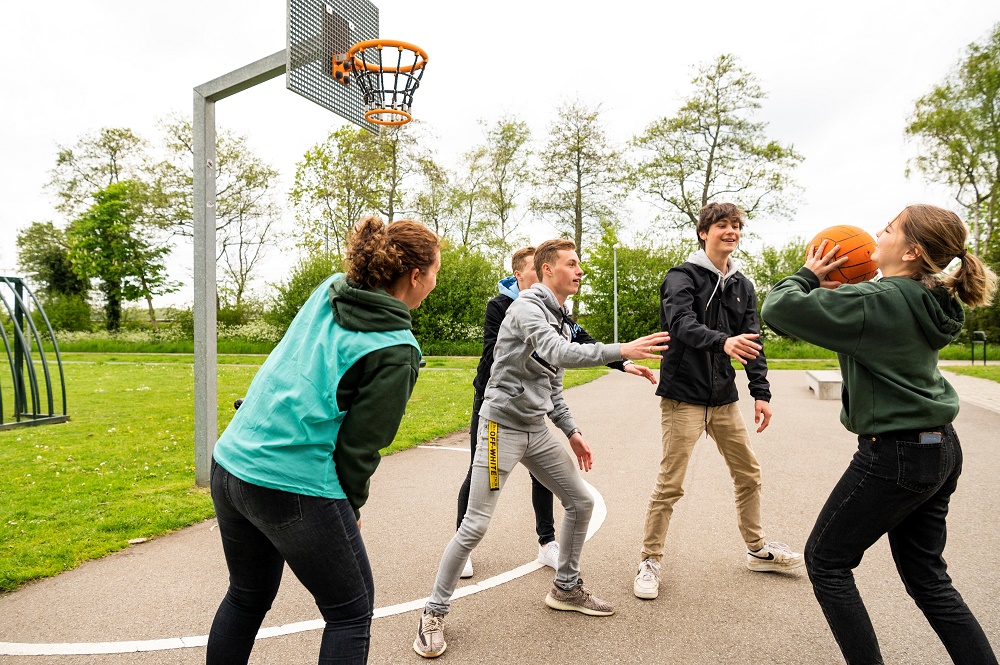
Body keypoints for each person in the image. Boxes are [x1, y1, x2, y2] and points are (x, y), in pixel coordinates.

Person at [761, 204, 998, 665]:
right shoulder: (930, 298)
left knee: (827, 562)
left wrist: (808, 274)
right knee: (929, 579)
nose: (875, 234)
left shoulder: (879, 300)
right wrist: (848, 290)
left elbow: (778, 307)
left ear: (911, 251)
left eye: (888, 229)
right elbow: (879, 307)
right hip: (941, 447)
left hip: (897, 454)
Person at [414, 238, 669, 658]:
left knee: (580, 502)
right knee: (475, 525)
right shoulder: (527, 308)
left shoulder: (560, 316)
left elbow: (552, 380)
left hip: (535, 428)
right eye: (572, 264)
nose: (580, 270)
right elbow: (558, 352)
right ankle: (433, 613)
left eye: (580, 264)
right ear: (547, 269)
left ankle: (566, 587)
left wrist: (570, 430)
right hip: (500, 427)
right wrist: (621, 350)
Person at [207, 217, 440, 665]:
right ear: (415, 276)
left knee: (246, 595)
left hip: (232, 461)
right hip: (290, 483)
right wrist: (349, 511)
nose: (433, 282)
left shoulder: (332, 289)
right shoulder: (397, 348)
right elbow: (360, 447)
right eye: (434, 273)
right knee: (350, 613)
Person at [633, 201, 803, 602]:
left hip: (725, 400)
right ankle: (649, 560)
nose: (732, 231)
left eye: (737, 226)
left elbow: (753, 342)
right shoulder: (682, 277)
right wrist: (722, 341)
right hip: (684, 397)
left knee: (749, 474)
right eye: (722, 225)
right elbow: (681, 324)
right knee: (670, 485)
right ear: (703, 232)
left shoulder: (743, 284)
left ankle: (758, 550)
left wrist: (760, 392)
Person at [458, 245, 656, 578]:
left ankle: (548, 543)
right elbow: (513, 353)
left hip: (533, 413)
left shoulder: (557, 314)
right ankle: (463, 545)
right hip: (498, 407)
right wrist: (535, 343)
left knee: (549, 481)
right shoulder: (508, 307)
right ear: (525, 274)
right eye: (536, 274)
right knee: (478, 486)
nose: (544, 280)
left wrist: (622, 361)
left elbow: (578, 342)